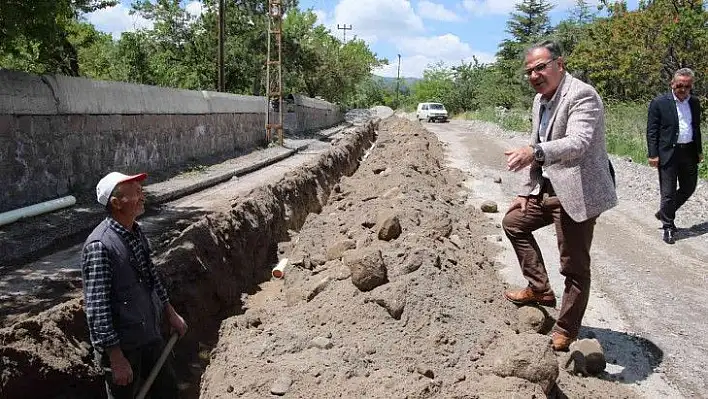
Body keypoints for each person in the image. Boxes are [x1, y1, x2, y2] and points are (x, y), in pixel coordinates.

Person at [501, 40, 617, 351]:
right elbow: (535, 144)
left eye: (540, 67)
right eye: (529, 71)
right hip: (548, 188)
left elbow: (577, 143)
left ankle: (566, 329)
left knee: (574, 266)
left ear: (559, 65)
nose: (535, 75)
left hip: (577, 191)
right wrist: (527, 190)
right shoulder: (540, 101)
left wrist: (534, 151)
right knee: (514, 222)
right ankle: (539, 289)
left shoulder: (581, 95)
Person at [81, 171, 188, 398]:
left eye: (141, 191)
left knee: (167, 391)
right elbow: (97, 309)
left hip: (148, 335)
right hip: (123, 348)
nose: (143, 197)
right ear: (116, 203)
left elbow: (152, 278)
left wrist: (170, 313)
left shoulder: (136, 233)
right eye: (136, 193)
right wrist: (116, 357)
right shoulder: (100, 246)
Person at [647, 68, 703, 244]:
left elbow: (696, 127)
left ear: (691, 86)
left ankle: (664, 212)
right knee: (668, 192)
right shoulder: (659, 102)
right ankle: (668, 226)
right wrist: (653, 154)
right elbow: (652, 131)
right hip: (668, 152)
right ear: (672, 83)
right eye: (680, 85)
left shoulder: (694, 102)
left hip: (689, 151)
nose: (683, 89)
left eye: (687, 86)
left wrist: (699, 150)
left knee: (689, 187)